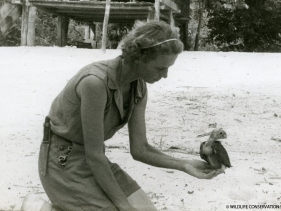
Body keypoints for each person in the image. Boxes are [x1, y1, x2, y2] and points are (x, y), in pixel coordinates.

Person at [22, 21, 223, 211]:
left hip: (95, 162)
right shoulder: (95, 83)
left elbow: (140, 149)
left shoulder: (139, 85)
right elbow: (94, 156)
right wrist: (124, 206)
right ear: (138, 57)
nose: (165, 76)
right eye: (161, 68)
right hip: (63, 164)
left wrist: (184, 165)